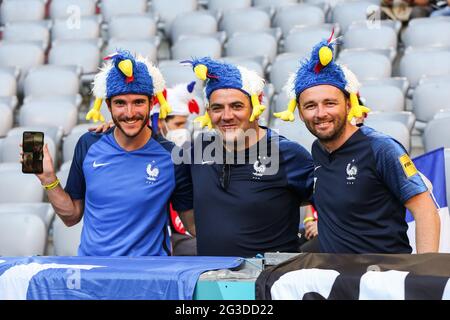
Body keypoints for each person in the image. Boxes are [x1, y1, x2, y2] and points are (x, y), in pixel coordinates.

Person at [274, 34, 440, 254]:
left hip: (381, 276)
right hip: (335, 278)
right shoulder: (317, 149)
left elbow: (425, 211)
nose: (321, 113)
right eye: (310, 106)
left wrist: (423, 274)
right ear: (301, 114)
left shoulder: (381, 148)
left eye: (330, 103)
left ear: (348, 104)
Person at [23, 50, 193, 256]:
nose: (130, 113)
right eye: (120, 103)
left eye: (138, 102)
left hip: (149, 276)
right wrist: (48, 178)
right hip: (94, 273)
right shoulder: (88, 144)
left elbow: (192, 225)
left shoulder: (172, 156)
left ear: (151, 103)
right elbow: (71, 216)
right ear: (108, 106)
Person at [179, 57, 315, 257]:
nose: (226, 116)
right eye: (217, 108)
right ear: (208, 112)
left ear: (256, 109)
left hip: (269, 281)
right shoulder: (194, 152)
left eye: (236, 106)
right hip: (212, 279)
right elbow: (188, 214)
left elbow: (330, 201)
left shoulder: (288, 154)